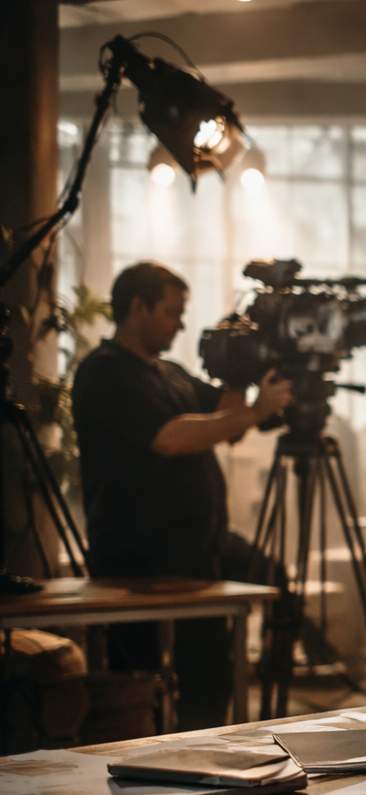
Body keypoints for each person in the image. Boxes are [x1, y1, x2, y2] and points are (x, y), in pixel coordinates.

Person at [73, 262, 292, 729]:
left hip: (200, 549)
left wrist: (242, 369)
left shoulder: (171, 373)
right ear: (137, 308)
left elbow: (224, 417)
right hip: (137, 562)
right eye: (172, 312)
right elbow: (170, 437)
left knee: (261, 600)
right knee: (139, 684)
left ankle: (216, 745)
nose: (181, 323)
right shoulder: (104, 372)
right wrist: (255, 411)